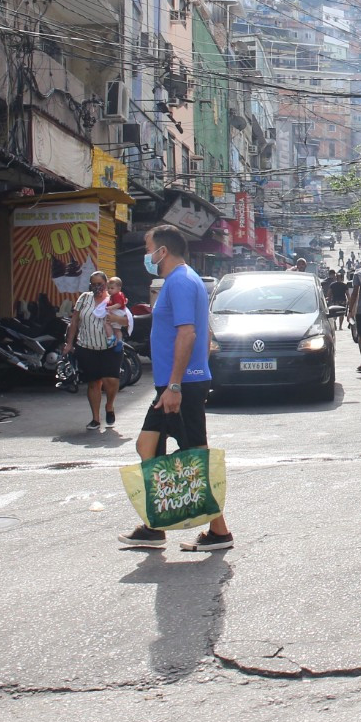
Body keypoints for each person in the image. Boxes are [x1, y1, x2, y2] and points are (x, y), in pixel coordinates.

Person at [122, 225, 232, 553]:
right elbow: (201, 331)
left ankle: (219, 532)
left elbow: (188, 334)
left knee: (193, 457)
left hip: (179, 386)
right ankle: (155, 525)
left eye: (147, 247)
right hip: (176, 384)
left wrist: (175, 385)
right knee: (148, 446)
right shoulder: (179, 281)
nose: (146, 254)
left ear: (162, 251)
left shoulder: (181, 282)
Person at [67, 270, 123, 431]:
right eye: (93, 284)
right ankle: (96, 419)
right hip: (87, 347)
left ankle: (110, 406)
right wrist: (69, 344)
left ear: (106, 284)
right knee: (94, 383)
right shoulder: (84, 298)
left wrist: (115, 319)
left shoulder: (114, 298)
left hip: (110, 348)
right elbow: (74, 321)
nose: (97, 287)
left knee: (110, 380)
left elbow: (126, 320)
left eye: (100, 284)